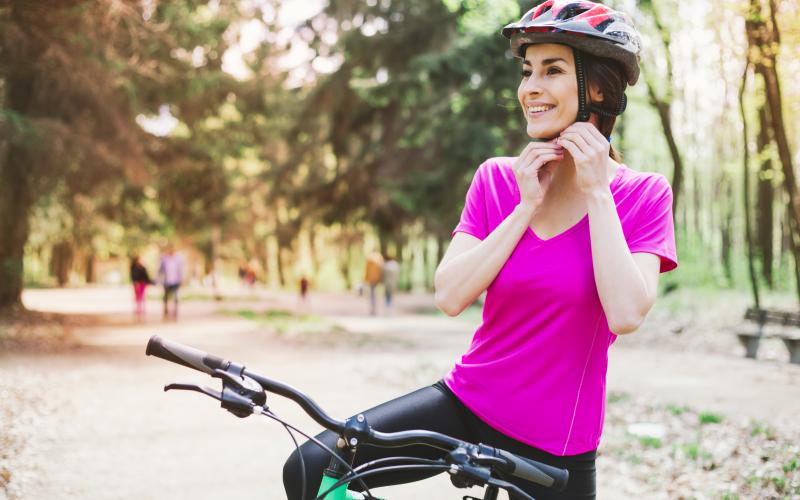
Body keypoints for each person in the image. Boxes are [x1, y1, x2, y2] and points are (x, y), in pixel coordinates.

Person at [283, 2, 677, 499]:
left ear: (597, 89)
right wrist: (523, 208)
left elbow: (625, 313)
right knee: (313, 469)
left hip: (554, 447)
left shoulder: (643, 194)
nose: (529, 87)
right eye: (526, 71)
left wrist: (598, 192)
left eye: (551, 70)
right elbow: (450, 295)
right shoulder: (498, 179)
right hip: (466, 405)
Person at [158, 244, 185, 319]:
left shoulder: (178, 259)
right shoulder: (164, 259)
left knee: (175, 296)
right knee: (166, 297)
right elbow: (160, 270)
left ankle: (175, 311)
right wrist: (159, 279)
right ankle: (166, 310)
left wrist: (181, 279)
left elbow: (181, 270)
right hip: (166, 281)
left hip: (176, 281)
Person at [129, 255, 153, 321]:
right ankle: (138, 308)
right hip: (136, 284)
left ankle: (142, 308)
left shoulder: (143, 268)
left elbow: (146, 276)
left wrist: (148, 282)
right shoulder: (133, 268)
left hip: (142, 283)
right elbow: (132, 276)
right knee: (137, 296)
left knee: (142, 296)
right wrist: (135, 282)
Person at [363, 251, 384, 315]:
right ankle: (374, 307)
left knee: (372, 293)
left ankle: (373, 307)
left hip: (371, 279)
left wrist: (365, 278)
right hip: (377, 278)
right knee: (375, 293)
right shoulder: (379, 257)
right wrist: (381, 278)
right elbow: (381, 268)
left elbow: (366, 269)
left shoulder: (369, 258)